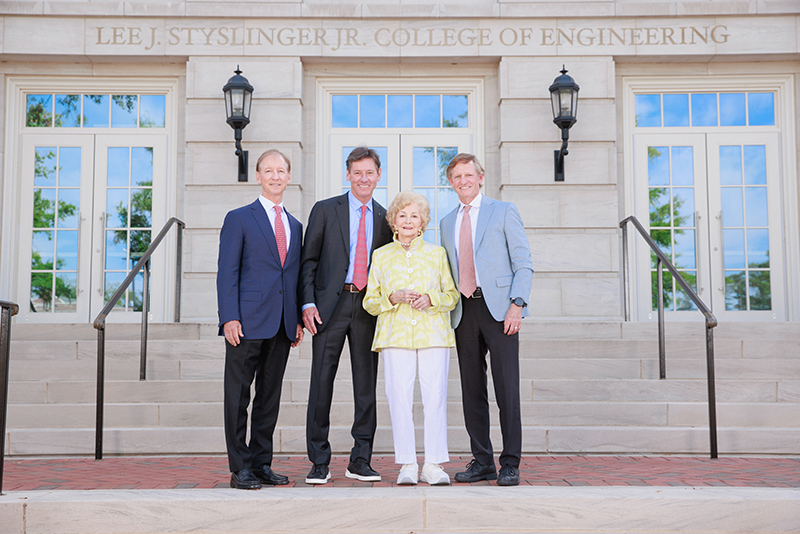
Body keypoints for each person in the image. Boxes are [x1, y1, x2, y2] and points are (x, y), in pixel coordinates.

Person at [300, 146, 393, 484]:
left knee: (365, 388)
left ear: (378, 175)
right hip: (329, 307)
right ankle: (318, 461)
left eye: (369, 172)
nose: (363, 178)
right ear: (348, 175)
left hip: (368, 309)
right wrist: (307, 303)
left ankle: (360, 459)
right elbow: (308, 260)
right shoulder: (326, 210)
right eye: (357, 173)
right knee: (321, 384)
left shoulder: (385, 218)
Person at [439, 153, 533, 487]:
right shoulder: (446, 221)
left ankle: (510, 463)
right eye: (456, 177)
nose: (463, 181)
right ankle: (482, 461)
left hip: (500, 310)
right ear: (451, 183)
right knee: (471, 390)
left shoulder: (503, 211)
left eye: (468, 175)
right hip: (463, 311)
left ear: (480, 177)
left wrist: (517, 305)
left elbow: (523, 262)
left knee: (507, 388)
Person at [216, 149, 304, 489]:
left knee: (269, 396)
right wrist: (229, 317)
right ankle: (240, 467)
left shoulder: (295, 226)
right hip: (246, 322)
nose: (276, 176)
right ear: (258, 176)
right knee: (238, 396)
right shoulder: (239, 218)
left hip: (281, 325)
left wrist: (294, 318)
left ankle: (261, 462)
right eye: (269, 170)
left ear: (288, 176)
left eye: (281, 170)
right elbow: (227, 272)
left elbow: (292, 276)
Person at [363, 192, 459, 486]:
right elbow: (370, 301)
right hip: (395, 335)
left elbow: (452, 296)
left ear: (423, 223)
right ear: (393, 221)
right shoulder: (380, 256)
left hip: (433, 334)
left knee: (434, 398)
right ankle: (407, 463)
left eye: (414, 216)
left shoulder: (437, 253)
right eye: (402, 215)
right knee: (399, 398)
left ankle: (433, 464)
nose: (407, 221)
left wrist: (432, 299)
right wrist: (391, 298)